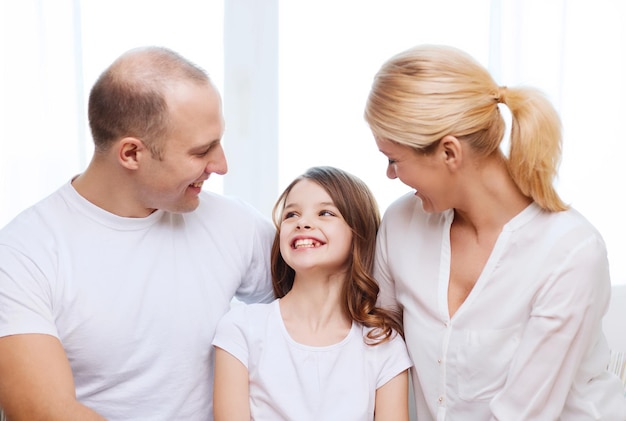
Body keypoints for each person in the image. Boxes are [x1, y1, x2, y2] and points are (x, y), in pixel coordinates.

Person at [0, 46, 275, 420]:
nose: (221, 165)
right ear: (131, 154)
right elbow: (42, 411)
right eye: (201, 151)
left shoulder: (234, 223)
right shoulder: (23, 253)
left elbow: (330, 303)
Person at [364, 44, 626, 420]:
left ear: (449, 153)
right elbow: (380, 355)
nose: (390, 175)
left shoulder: (570, 252)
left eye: (393, 159)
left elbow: (523, 413)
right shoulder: (401, 225)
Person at [212, 166, 413, 421]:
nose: (302, 222)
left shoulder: (383, 344)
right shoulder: (241, 329)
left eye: (325, 213)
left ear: (358, 234)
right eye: (291, 214)